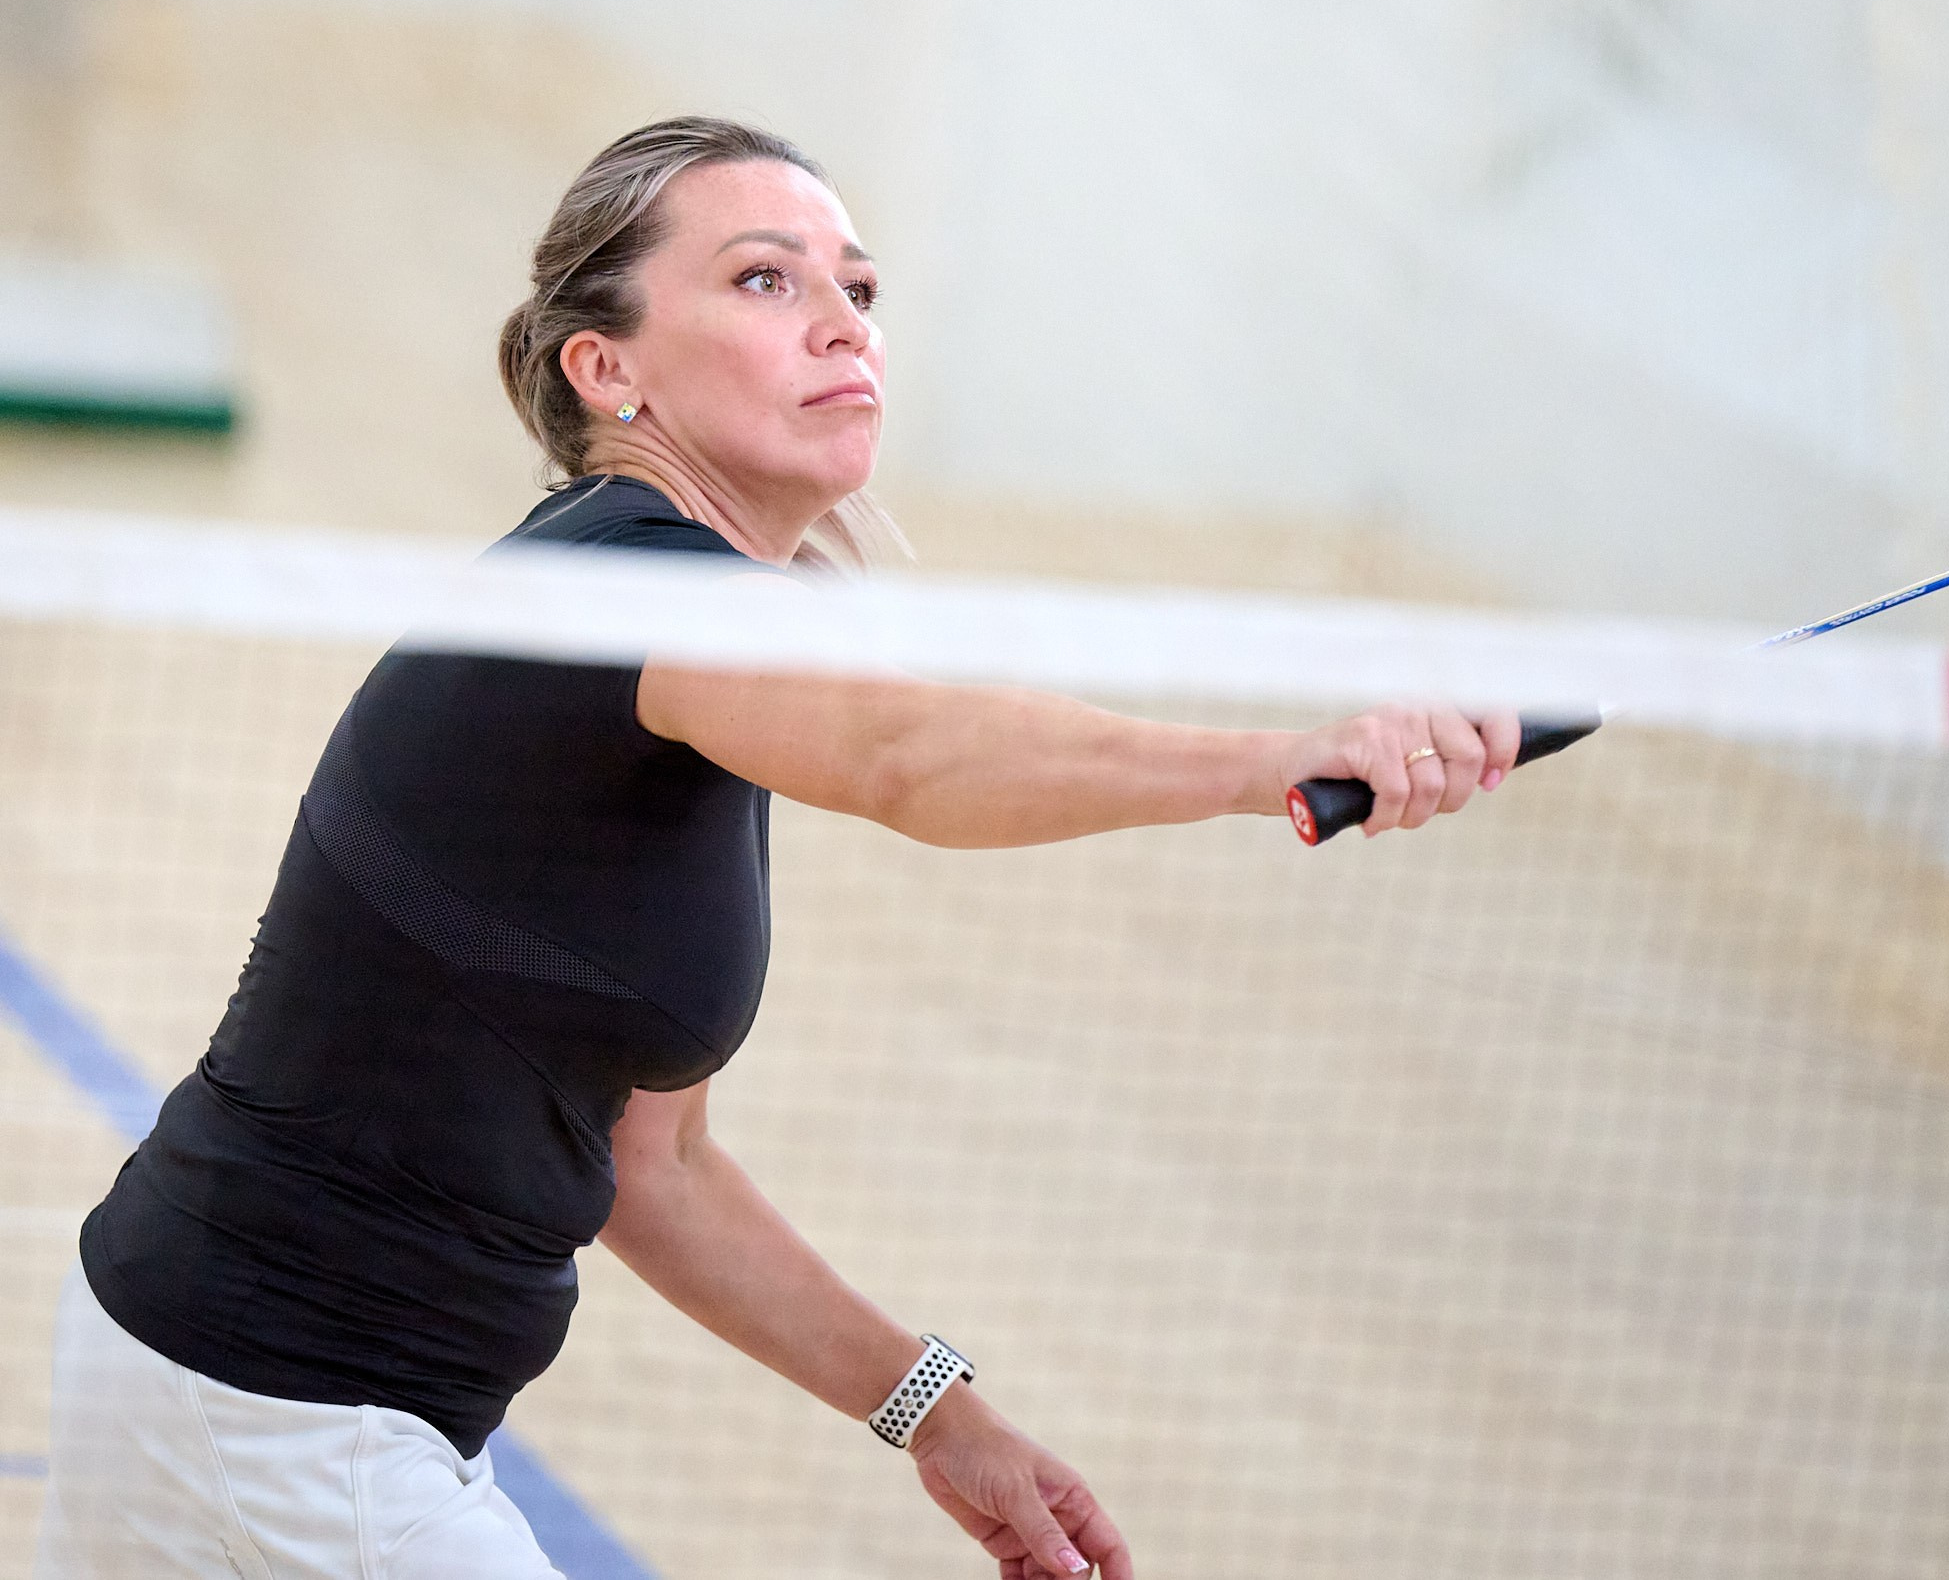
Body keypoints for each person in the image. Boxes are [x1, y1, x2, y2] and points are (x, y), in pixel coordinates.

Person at [35, 116, 1520, 1580]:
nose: (840, 327)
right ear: (605, 370)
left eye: (857, 291)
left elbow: (654, 1163)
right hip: (293, 1421)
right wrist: (1276, 762)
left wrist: (943, 1417)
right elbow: (909, 753)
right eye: (765, 280)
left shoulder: (694, 653)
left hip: (233, 1383)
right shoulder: (619, 593)